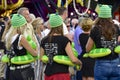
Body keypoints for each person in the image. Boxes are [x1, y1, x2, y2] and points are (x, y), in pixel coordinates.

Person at [40, 14, 82, 80]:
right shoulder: (64, 40)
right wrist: (80, 63)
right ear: (61, 25)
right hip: (61, 73)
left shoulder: (44, 40)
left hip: (48, 73)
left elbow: (41, 58)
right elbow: (73, 59)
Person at [86, 5, 120, 80]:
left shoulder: (95, 29)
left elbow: (88, 49)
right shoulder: (116, 27)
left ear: (99, 16)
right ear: (110, 16)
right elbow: (117, 43)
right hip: (116, 63)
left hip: (101, 64)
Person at [5, 14, 38, 80]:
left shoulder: (7, 36)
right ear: (21, 26)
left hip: (11, 70)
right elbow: (34, 53)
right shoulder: (21, 38)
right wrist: (36, 47)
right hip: (23, 71)